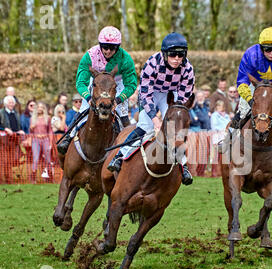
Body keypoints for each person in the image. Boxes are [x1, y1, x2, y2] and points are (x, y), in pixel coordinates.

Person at [107, 32, 195, 185]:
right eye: (173, 55)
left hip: (172, 94)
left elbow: (183, 98)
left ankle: (183, 165)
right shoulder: (152, 63)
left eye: (180, 55)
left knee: (175, 128)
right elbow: (145, 95)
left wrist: (173, 115)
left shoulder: (187, 68)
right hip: (152, 92)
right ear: (165, 53)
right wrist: (155, 120)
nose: (176, 59)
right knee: (144, 126)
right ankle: (120, 156)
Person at [57, 26, 138, 155]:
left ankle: (128, 145)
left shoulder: (125, 59)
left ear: (118, 47)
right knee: (83, 109)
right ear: (100, 45)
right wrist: (88, 98)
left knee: (122, 114)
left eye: (112, 48)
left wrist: (118, 99)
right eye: (105, 47)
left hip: (116, 84)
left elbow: (131, 84)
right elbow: (80, 82)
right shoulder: (89, 55)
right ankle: (68, 137)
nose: (108, 51)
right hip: (96, 83)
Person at [225, 26, 272, 164]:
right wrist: (249, 99)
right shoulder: (250, 55)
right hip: (253, 87)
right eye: (267, 49)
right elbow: (242, 82)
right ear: (261, 48)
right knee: (243, 112)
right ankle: (228, 141)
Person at [30, 102, 53, 183]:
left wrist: (50, 143)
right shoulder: (32, 118)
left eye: (42, 107)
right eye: (38, 107)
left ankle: (49, 177)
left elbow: (50, 131)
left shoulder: (48, 118)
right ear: (36, 108)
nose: (40, 108)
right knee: (35, 158)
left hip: (45, 139)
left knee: (47, 158)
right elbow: (30, 132)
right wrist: (31, 128)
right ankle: (33, 178)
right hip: (35, 140)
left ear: (44, 109)